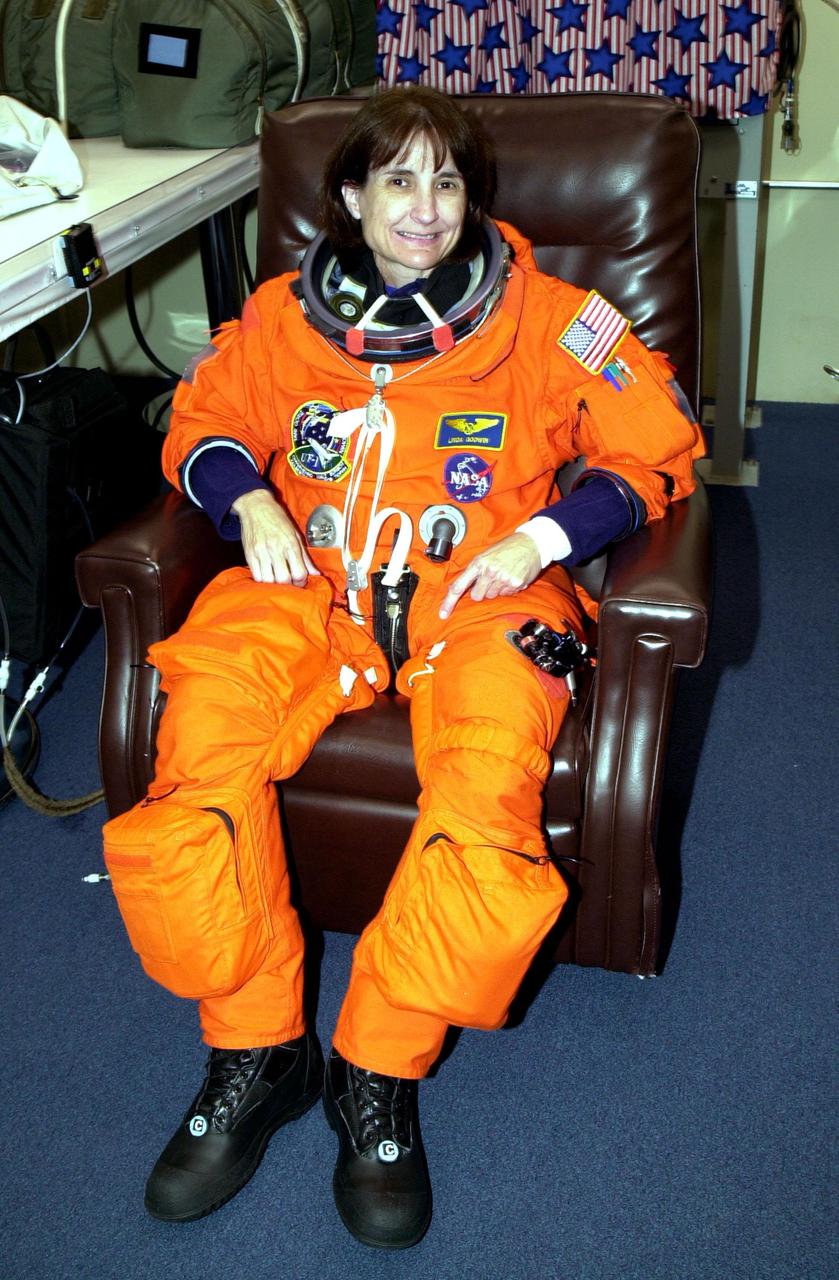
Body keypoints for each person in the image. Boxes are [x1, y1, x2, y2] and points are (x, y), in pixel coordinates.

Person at [102, 86, 704, 1249]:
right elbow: (201, 421)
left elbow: (656, 445)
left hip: (481, 595)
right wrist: (248, 501)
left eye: (446, 182)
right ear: (349, 195)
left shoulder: (551, 320)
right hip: (305, 584)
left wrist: (544, 535)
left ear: (471, 199)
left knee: (485, 804)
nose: (424, 208)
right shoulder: (280, 320)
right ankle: (256, 1047)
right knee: (199, 750)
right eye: (397, 180)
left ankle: (377, 1062)